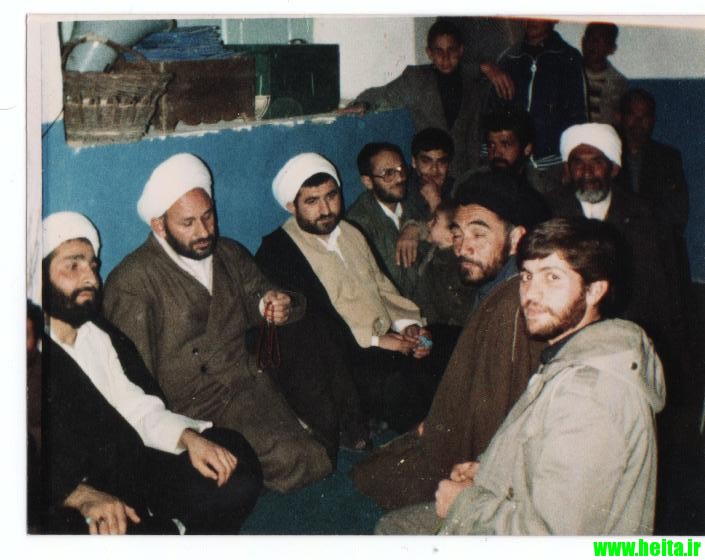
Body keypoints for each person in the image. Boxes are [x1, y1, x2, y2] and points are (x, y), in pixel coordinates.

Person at [376, 217, 666, 535]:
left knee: (393, 531)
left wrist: (464, 504)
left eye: (552, 277)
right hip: (513, 503)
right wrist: (490, 471)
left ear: (594, 291)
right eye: (527, 276)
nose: (531, 294)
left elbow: (550, 542)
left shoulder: (589, 398)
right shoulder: (574, 350)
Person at [103, 153, 332, 493]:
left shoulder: (227, 252)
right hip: (194, 407)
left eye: (208, 216)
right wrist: (175, 434)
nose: (204, 231)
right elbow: (134, 379)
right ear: (159, 225)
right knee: (297, 458)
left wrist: (273, 304)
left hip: (249, 381)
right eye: (188, 223)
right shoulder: (133, 282)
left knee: (324, 434)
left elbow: (261, 294)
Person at [39, 211, 262, 535]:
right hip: (67, 491)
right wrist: (77, 495)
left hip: (131, 464)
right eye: (73, 266)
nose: (90, 278)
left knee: (232, 462)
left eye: (93, 266)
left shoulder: (98, 335)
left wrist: (187, 438)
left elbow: (135, 407)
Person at [350, 173, 549, 510]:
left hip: (486, 458)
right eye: (458, 233)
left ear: (516, 239)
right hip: (464, 421)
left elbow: (498, 413)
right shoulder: (497, 284)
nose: (462, 247)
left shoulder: (513, 306)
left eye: (479, 234)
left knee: (374, 481)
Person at [255, 153, 439, 435]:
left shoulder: (350, 232)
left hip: (390, 339)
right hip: (344, 359)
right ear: (292, 206)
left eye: (331, 196)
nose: (326, 210)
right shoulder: (279, 251)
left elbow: (381, 286)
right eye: (312, 202)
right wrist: (378, 341)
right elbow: (313, 324)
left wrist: (409, 326)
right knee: (405, 384)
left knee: (447, 347)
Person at [546, 123, 689, 403]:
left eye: (597, 162)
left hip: (627, 340)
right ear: (567, 169)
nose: (587, 172)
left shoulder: (645, 215)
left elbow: (664, 291)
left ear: (614, 168)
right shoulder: (547, 211)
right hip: (565, 341)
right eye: (578, 163)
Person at [348, 20, 493, 176]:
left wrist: (474, 175)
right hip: (427, 172)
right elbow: (385, 94)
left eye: (451, 50)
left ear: (460, 50)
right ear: (429, 53)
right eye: (439, 51)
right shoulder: (416, 79)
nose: (445, 57)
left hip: (461, 172)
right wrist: (362, 103)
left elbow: (474, 136)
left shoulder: (472, 83)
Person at [489, 19, 587, 193]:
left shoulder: (568, 58)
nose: (532, 20)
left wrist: (570, 161)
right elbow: (492, 112)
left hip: (551, 167)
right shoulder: (509, 58)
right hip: (512, 165)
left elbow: (578, 117)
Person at [347, 142, 428, 299]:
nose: (400, 178)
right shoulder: (357, 225)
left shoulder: (414, 199)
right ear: (368, 182)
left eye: (401, 169)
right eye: (388, 173)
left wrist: (418, 227)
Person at [615, 88, 689, 235]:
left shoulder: (668, 158)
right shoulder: (606, 157)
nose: (638, 122)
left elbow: (678, 213)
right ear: (619, 117)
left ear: (653, 120)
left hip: (656, 240)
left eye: (645, 116)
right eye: (632, 115)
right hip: (616, 239)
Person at [581, 22, 629, 126]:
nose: (593, 44)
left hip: (604, 134)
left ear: (612, 48)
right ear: (583, 41)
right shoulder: (570, 75)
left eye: (601, 40)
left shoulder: (619, 83)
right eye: (590, 38)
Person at [406, 127, 456, 221]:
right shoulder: (404, 192)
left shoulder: (457, 191)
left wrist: (435, 202)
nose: (434, 169)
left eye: (441, 162)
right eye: (426, 161)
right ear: (414, 162)